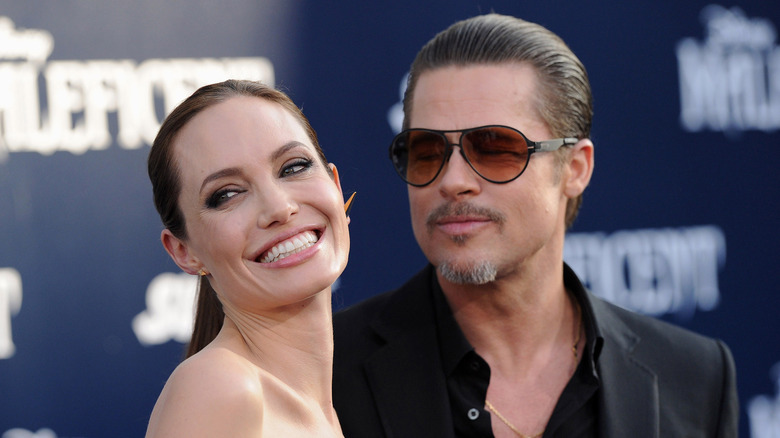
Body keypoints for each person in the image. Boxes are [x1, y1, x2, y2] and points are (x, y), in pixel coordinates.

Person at [332, 13, 738, 438]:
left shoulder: (695, 376)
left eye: (494, 148)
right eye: (427, 151)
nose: (452, 181)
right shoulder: (325, 374)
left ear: (575, 169)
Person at [145, 79, 350, 437]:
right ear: (184, 251)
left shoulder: (326, 407)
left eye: (293, 167)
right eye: (226, 194)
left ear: (335, 186)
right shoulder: (219, 388)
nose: (279, 207)